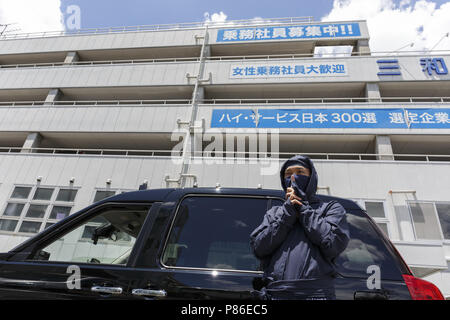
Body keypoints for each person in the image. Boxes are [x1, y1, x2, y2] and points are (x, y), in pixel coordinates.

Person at [250, 155, 350, 300]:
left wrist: (304, 209)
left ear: (311, 178)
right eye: (288, 174)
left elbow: (333, 244)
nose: (293, 178)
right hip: (276, 294)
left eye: (300, 172)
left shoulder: (331, 208)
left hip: (315, 295)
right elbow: (259, 247)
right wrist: (287, 214)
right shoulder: (275, 213)